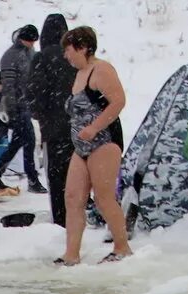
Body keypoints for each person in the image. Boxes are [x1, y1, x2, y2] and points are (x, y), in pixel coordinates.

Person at [58, 26, 133, 265]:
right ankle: (71, 254)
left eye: (68, 50)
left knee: (103, 198)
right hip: (81, 147)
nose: (66, 56)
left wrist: (94, 127)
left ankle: (122, 248)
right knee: (72, 197)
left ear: (83, 47)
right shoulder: (80, 73)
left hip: (104, 142)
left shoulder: (101, 70)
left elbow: (119, 101)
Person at [25, 14, 77, 226]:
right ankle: (79, 217)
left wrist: (40, 114)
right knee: (77, 176)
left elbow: (34, 93)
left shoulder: (41, 58)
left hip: (53, 128)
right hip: (77, 127)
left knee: (57, 178)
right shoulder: (73, 56)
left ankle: (61, 221)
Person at [0, 24, 47, 194]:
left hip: (26, 104)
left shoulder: (29, 52)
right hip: (17, 106)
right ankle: (32, 179)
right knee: (29, 141)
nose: (32, 44)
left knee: (18, 142)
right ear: (22, 38)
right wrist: (12, 108)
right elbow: (8, 85)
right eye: (30, 41)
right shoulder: (10, 56)